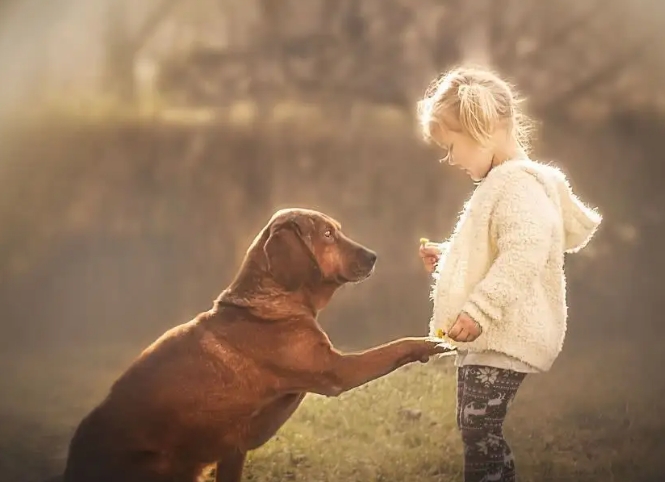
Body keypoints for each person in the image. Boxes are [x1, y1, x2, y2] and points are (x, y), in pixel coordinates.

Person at [416, 65, 602, 482]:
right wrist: (450, 257)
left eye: (452, 146)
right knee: (476, 429)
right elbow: (497, 250)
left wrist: (478, 311)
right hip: (491, 337)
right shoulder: (504, 183)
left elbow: (523, 254)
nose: (451, 159)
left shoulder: (518, 186)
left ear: (482, 128)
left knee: (480, 429)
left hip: (503, 333)